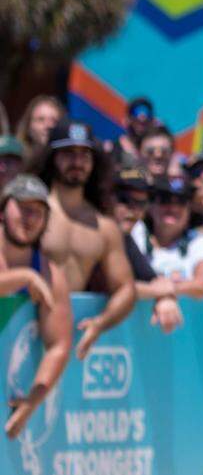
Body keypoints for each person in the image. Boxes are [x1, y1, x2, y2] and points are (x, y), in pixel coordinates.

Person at [36, 120, 136, 359]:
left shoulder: (104, 227)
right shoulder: (32, 214)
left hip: (71, 336)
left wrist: (100, 323)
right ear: (53, 158)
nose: (77, 162)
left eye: (85, 155)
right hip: (19, 326)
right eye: (69, 153)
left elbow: (125, 288)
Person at [0, 175, 72, 438]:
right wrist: (25, 277)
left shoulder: (50, 273)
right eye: (23, 208)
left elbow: (59, 345)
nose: (30, 217)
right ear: (2, 209)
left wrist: (33, 401)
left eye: (39, 212)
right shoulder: (35, 275)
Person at [106, 168, 182, 333]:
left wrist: (166, 297)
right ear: (107, 199)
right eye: (124, 200)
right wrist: (158, 291)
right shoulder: (94, 231)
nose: (133, 210)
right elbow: (111, 286)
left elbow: (152, 280)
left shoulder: (124, 238)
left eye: (141, 203)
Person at [133, 176, 203, 299]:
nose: (172, 208)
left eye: (180, 202)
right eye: (165, 200)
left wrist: (162, 289)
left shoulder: (200, 241)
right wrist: (159, 290)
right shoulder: (136, 235)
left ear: (189, 210)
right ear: (151, 207)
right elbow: (122, 283)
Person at [110, 97, 156, 168]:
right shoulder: (115, 148)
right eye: (137, 122)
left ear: (152, 122)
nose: (140, 129)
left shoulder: (157, 149)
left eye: (144, 123)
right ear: (128, 120)